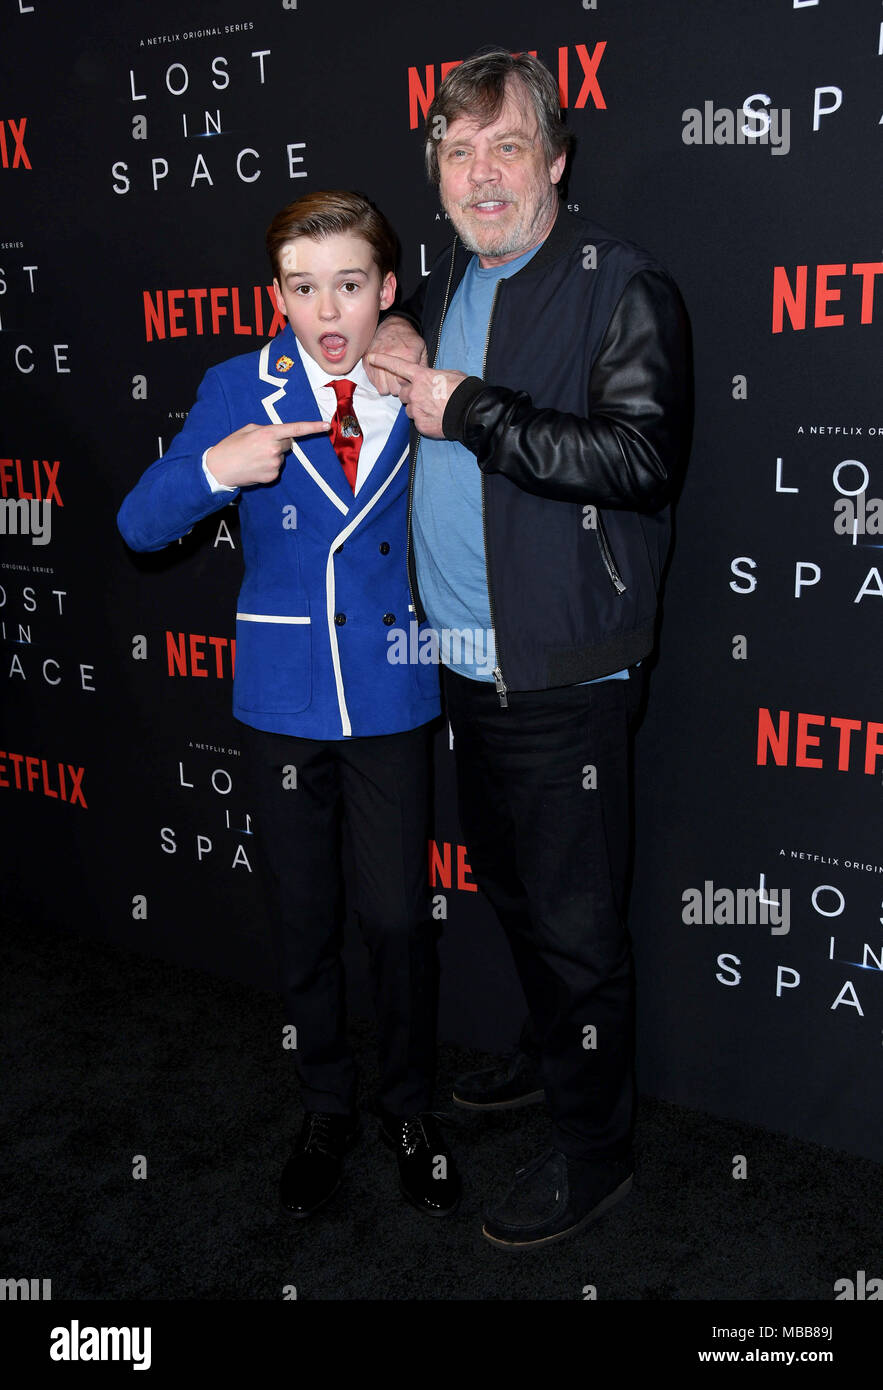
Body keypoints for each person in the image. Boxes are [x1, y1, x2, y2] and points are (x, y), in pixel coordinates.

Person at [366, 49, 691, 1248]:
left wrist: (469, 408)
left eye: (508, 147)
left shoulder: (624, 285)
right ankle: (556, 1056)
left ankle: (597, 1151)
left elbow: (640, 460)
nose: (481, 172)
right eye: (457, 152)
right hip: (460, 656)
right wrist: (401, 335)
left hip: (563, 670)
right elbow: (425, 363)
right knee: (510, 887)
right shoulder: (455, 273)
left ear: (555, 160)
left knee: (575, 926)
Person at [117, 190, 461, 1222]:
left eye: (350, 285)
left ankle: (406, 1105)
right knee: (305, 918)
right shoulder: (236, 385)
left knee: (398, 920)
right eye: (304, 287)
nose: (328, 310)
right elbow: (139, 522)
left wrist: (411, 340)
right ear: (276, 296)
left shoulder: (416, 378)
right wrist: (217, 470)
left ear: (385, 290)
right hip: (281, 698)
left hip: (393, 692)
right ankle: (326, 1103)